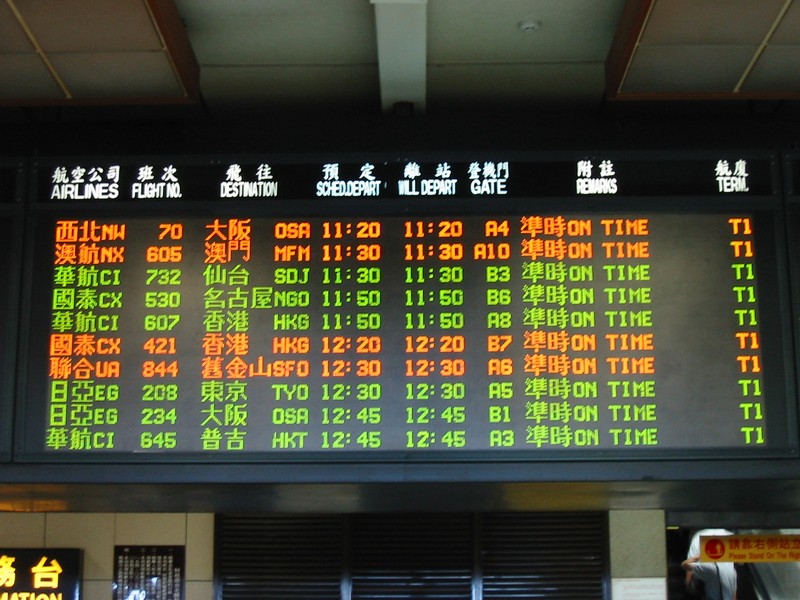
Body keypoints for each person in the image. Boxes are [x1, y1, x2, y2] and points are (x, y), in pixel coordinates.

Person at [681, 528, 737, 600]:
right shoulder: (731, 571)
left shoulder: (709, 568)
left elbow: (685, 564)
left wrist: (699, 557)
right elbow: (734, 595)